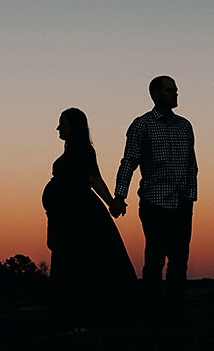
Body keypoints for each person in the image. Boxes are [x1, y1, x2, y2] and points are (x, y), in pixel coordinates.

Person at [110, 76, 197, 314]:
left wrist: (190, 195)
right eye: (170, 90)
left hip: (181, 203)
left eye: (176, 90)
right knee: (155, 259)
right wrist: (119, 196)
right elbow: (129, 162)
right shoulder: (142, 125)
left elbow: (192, 164)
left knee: (179, 261)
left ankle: (172, 308)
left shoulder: (185, 126)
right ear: (156, 95)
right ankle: (152, 309)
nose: (176, 94)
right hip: (154, 202)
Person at [42, 107, 136, 328]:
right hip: (64, 215)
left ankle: (85, 318)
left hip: (79, 214)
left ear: (74, 126)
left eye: (62, 123)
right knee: (69, 264)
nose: (58, 127)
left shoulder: (84, 150)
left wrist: (112, 202)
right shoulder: (70, 151)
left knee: (81, 264)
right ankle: (71, 317)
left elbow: (94, 179)